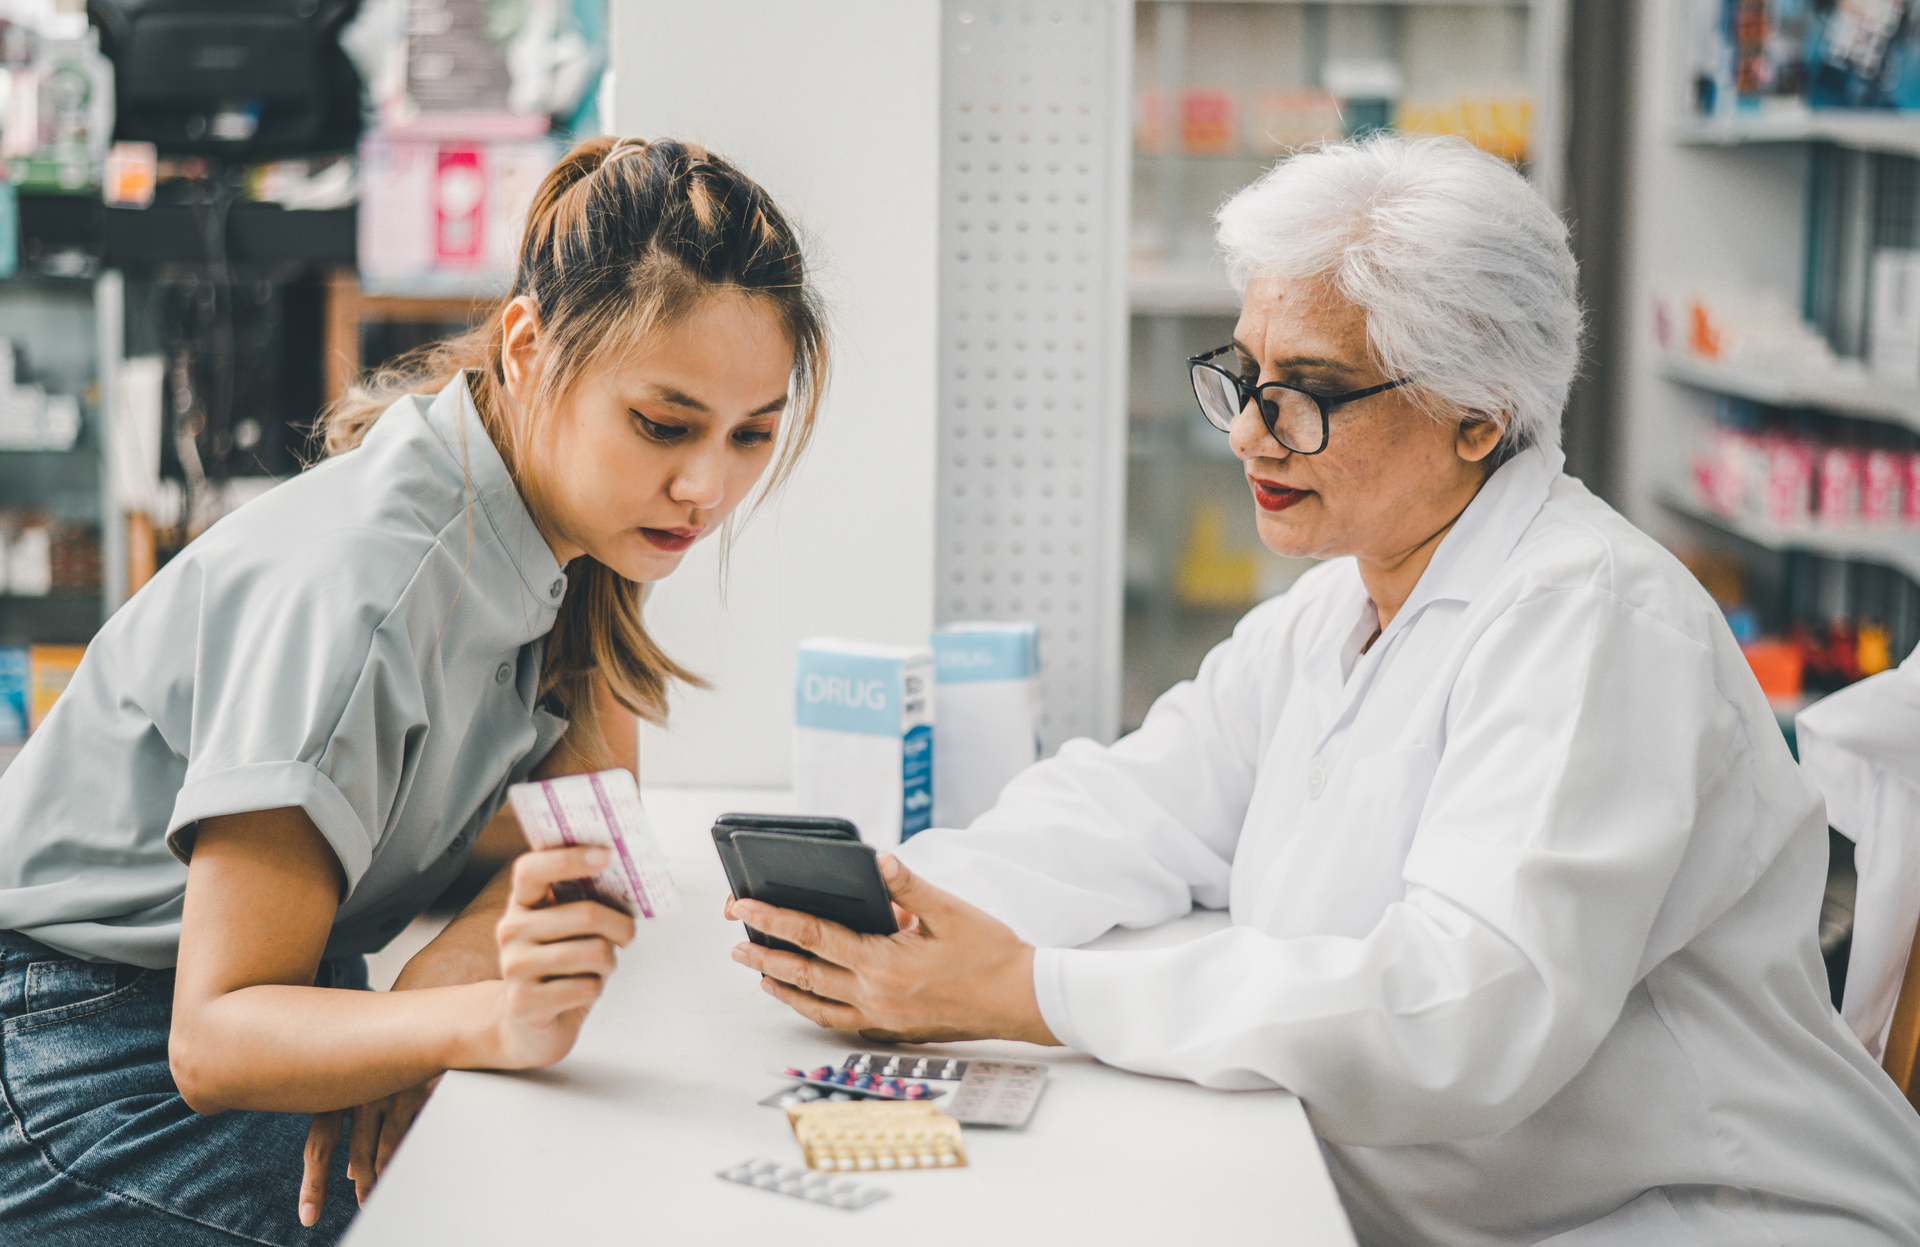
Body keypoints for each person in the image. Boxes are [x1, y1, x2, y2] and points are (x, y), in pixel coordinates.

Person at [727, 134, 1920, 1245]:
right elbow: (1134, 808)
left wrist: (1033, 988)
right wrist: (904, 911)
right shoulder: (1340, 606)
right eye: (1243, 375)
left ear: (1477, 410)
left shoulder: (1596, 618)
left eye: (1306, 390)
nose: (1248, 433)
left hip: (1693, 1214)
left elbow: (1462, 1010)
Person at [0, 135, 827, 1246]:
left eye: (752, 435)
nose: (707, 484)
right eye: (665, 424)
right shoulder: (364, 594)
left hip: (282, 993)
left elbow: (597, 839)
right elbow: (216, 1039)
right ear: (530, 349)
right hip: (79, 1049)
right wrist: (472, 1020)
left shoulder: (577, 528)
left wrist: (431, 1000)